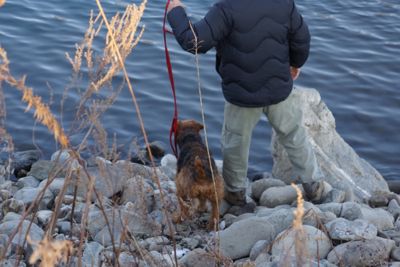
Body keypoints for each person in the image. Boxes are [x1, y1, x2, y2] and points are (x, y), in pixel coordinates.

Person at [167, 0, 326, 207]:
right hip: (279, 87)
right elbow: (301, 38)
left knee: (236, 144)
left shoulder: (225, 9)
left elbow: (193, 41)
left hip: (241, 94)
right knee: (294, 135)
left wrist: (175, 11)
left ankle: (235, 194)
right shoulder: (284, 4)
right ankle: (314, 185)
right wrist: (295, 63)